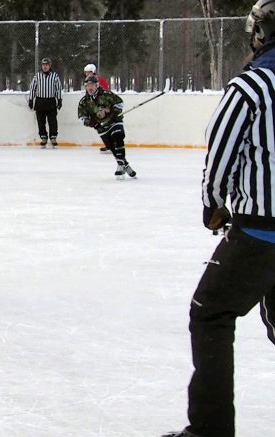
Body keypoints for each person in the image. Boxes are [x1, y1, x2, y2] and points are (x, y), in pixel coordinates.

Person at [162, 2, 275, 436]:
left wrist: (212, 204)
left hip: (260, 231)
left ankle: (209, 429)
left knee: (210, 313)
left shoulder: (252, 85)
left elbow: (221, 150)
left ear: (262, 33)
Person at [77, 75, 136, 179]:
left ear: (97, 85)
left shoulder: (106, 94)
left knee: (118, 135)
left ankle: (120, 165)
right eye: (87, 85)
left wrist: (108, 111)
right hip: (101, 127)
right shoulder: (84, 101)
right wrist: (92, 122)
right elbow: (81, 117)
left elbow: (120, 103)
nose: (90, 88)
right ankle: (125, 165)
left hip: (114, 121)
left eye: (92, 85)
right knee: (112, 147)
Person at [28, 58, 62, 149]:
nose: (45, 66)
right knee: (40, 121)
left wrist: (59, 100)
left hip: (51, 101)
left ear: (50, 66)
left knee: (52, 121)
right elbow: (33, 88)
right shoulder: (37, 76)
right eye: (43, 65)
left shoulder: (55, 76)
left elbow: (58, 88)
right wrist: (31, 100)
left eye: (46, 65)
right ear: (41, 66)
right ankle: (43, 137)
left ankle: (53, 137)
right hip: (40, 101)